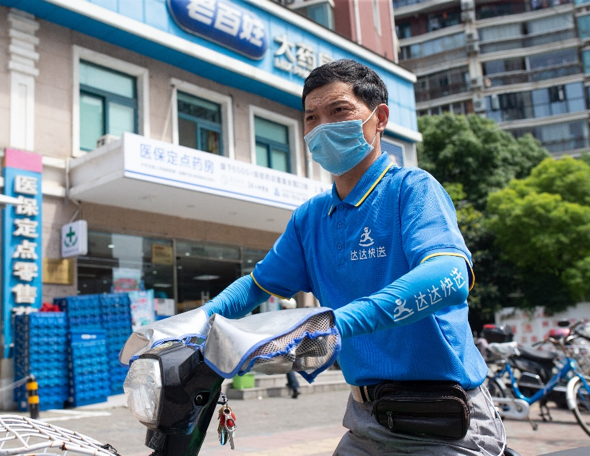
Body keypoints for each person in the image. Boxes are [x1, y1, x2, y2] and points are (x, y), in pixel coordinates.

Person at [202, 59, 505, 455]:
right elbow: (257, 286)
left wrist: (333, 323)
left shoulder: (412, 189)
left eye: (339, 111)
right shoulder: (310, 218)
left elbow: (450, 276)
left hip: (444, 416)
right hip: (366, 418)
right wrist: (199, 318)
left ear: (379, 118)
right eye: (311, 117)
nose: (322, 126)